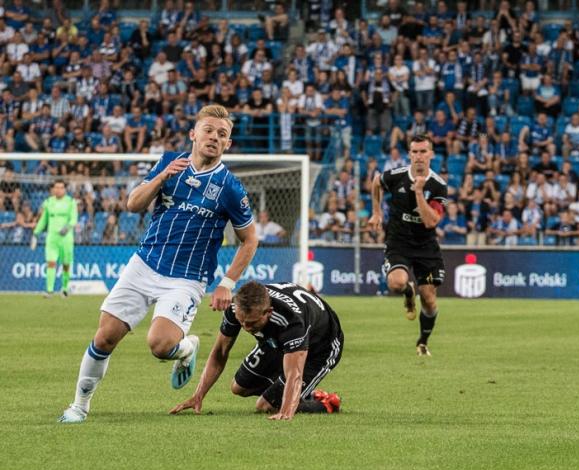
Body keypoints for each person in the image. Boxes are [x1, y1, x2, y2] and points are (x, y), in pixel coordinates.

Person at [58, 104, 259, 423]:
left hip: (186, 279)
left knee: (160, 344)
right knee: (105, 336)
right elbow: (133, 204)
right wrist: (162, 176)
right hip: (144, 264)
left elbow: (250, 240)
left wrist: (227, 283)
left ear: (228, 144)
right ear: (194, 134)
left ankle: (184, 348)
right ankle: (79, 406)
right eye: (208, 130)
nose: (214, 137)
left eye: (222, 134)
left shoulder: (230, 188)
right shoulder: (169, 163)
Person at [170, 281, 343, 420]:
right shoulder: (235, 308)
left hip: (321, 346)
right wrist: (198, 395)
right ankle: (289, 391)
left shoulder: (290, 322)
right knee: (239, 387)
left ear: (268, 312)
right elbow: (220, 353)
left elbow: (295, 373)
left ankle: (326, 403)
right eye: (242, 321)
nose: (246, 327)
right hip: (275, 340)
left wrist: (285, 411)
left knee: (266, 405)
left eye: (252, 323)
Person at [367, 134, 448, 357]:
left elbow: (431, 221)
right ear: (409, 154)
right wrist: (376, 212)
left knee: (430, 300)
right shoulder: (396, 176)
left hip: (426, 247)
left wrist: (419, 192)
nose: (419, 156)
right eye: (414, 152)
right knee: (396, 282)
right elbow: (376, 181)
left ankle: (422, 342)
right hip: (398, 242)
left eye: (423, 152)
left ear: (431, 154)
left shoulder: (439, 186)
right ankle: (407, 291)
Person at [30, 180, 77, 297]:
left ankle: (65, 289)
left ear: (65, 189)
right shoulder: (49, 202)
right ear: (53, 189)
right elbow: (43, 220)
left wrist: (66, 228)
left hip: (66, 238)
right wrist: (36, 232)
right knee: (51, 263)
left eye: (61, 187)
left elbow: (73, 219)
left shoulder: (71, 202)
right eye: (56, 187)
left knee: (66, 264)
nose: (58, 190)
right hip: (52, 237)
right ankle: (49, 290)